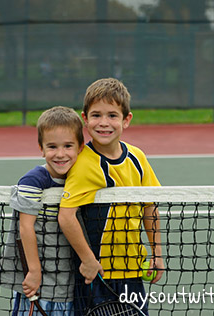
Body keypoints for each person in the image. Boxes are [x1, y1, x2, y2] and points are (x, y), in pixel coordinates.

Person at [58, 78, 164, 315]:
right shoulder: (83, 164)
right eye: (96, 115)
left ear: (126, 120)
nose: (104, 123)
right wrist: (88, 261)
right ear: (85, 119)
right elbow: (66, 217)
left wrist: (157, 253)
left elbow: (150, 207)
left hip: (133, 271)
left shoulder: (137, 157)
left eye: (112, 116)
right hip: (97, 275)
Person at [0, 106, 84, 315]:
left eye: (68, 146)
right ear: (41, 148)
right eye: (52, 147)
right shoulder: (33, 181)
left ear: (80, 147)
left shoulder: (81, 180)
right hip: (36, 287)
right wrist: (34, 272)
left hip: (68, 286)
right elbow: (25, 227)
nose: (60, 154)